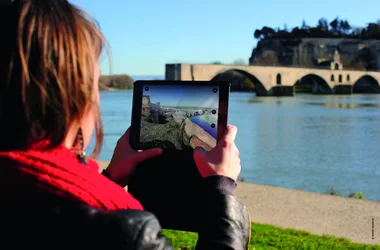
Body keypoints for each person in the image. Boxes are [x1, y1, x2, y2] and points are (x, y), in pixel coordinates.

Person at [0, 0, 251, 249]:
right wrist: (222, 188)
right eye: (94, 84)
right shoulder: (126, 234)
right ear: (72, 96)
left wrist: (109, 179)